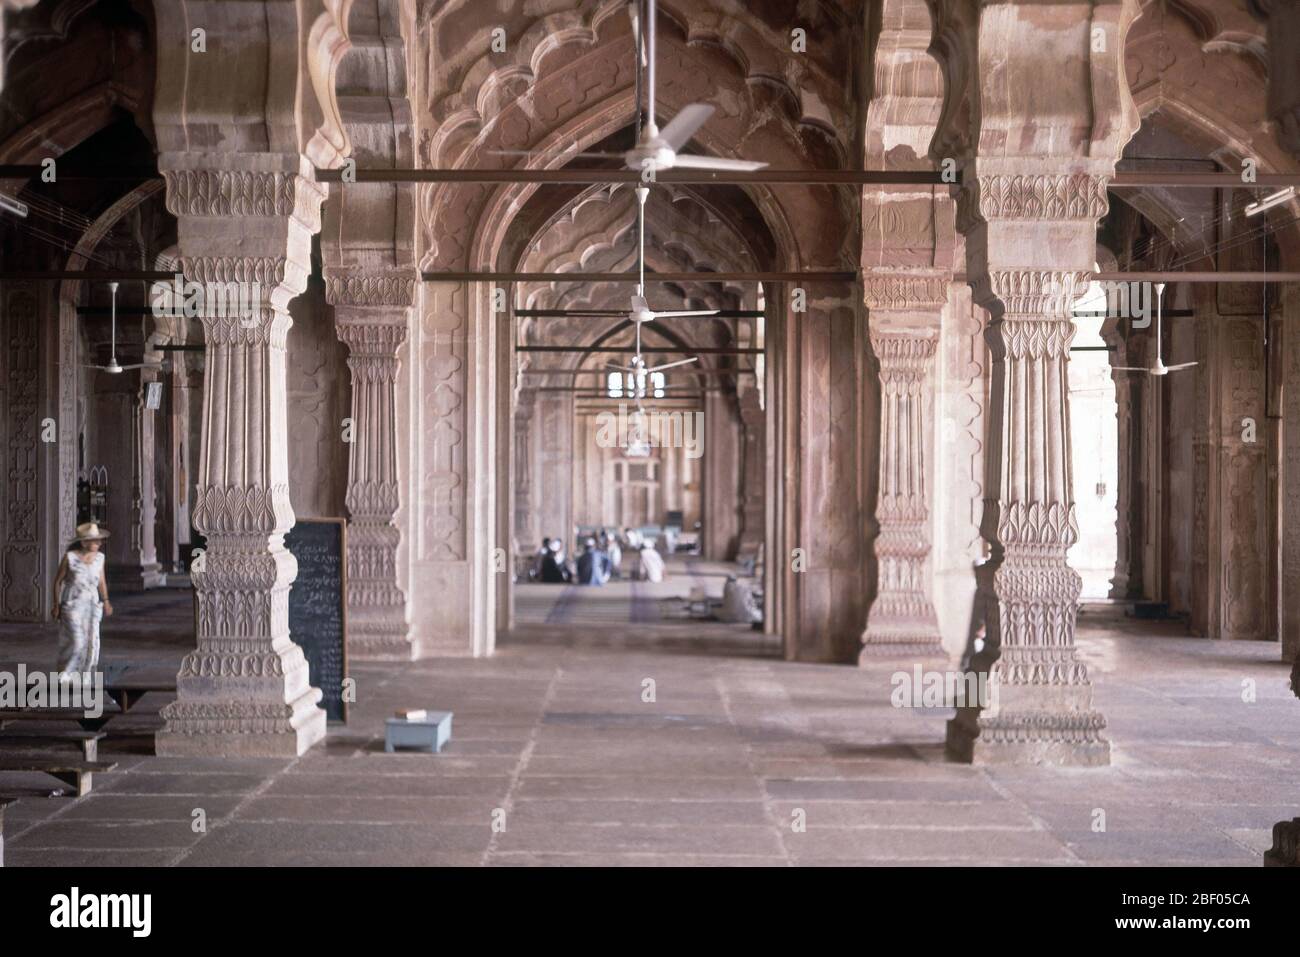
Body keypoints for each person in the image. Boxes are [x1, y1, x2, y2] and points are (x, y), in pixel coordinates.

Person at [51, 522, 113, 682]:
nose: (99, 544)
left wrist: (106, 601)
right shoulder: (69, 558)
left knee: (91, 641)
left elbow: (101, 582)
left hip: (92, 604)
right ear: (84, 542)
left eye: (99, 540)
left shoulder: (100, 558)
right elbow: (57, 582)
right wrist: (55, 605)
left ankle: (84, 677)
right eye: (95, 540)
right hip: (72, 604)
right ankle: (65, 674)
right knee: (78, 641)